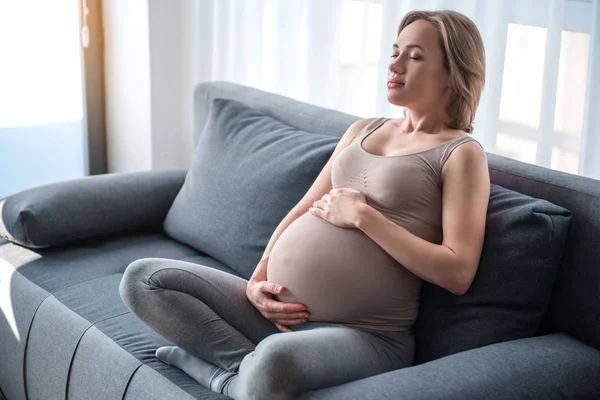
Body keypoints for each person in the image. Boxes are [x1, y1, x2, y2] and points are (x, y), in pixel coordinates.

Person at [119, 9, 490, 400]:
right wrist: (258, 279)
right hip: (277, 315)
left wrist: (364, 217)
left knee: (274, 363)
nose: (394, 64)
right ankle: (241, 374)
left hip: (365, 336)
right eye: (395, 51)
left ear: (452, 73)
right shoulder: (364, 129)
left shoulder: (460, 154)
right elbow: (303, 207)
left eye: (414, 56)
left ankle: (227, 378)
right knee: (143, 279)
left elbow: (458, 271)